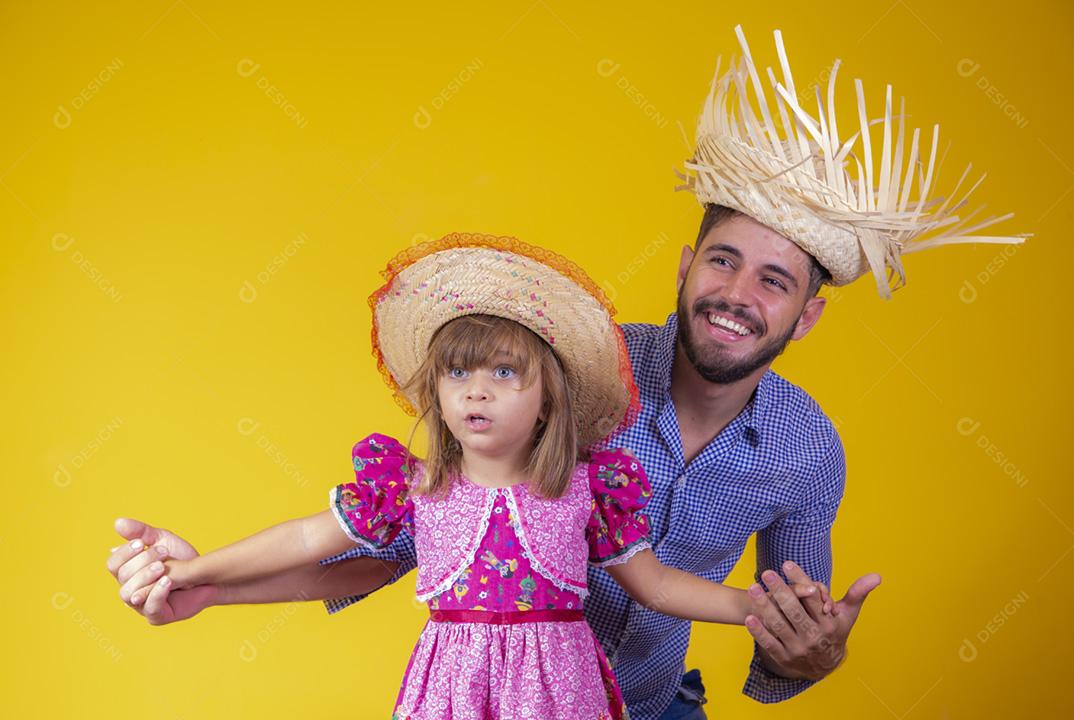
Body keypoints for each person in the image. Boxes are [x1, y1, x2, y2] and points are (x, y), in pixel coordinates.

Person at [108, 24, 1027, 719]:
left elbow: (778, 644)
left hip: (655, 705)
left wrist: (808, 654)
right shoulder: (562, 375)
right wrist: (210, 586)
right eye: (721, 261)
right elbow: (402, 544)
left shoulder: (805, 450)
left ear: (808, 313)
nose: (736, 294)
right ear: (684, 265)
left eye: (775, 279)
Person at [114, 235, 827, 720]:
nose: (476, 392)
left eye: (503, 373)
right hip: (454, 698)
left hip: (572, 698)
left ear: (548, 395)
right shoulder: (414, 489)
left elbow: (658, 585)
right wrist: (200, 576)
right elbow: (312, 541)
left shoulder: (587, 488)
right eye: (457, 373)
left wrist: (765, 609)